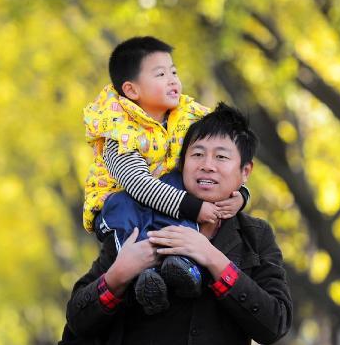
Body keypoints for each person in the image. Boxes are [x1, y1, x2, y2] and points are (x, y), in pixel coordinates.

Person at [61, 103, 292, 345]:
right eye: (197, 154)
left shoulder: (255, 235)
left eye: (221, 157)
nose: (207, 165)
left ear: (244, 171)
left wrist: (213, 259)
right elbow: (78, 317)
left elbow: (275, 323)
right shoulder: (140, 222)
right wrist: (118, 275)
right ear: (182, 163)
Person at [82, 37, 248, 314]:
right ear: (131, 90)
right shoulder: (117, 132)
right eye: (160, 74)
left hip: (167, 201)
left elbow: (225, 157)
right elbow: (139, 185)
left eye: (173, 71)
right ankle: (142, 282)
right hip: (123, 201)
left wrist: (240, 195)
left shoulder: (186, 119)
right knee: (123, 209)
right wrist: (195, 208)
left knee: (178, 181)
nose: (172, 80)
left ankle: (182, 265)